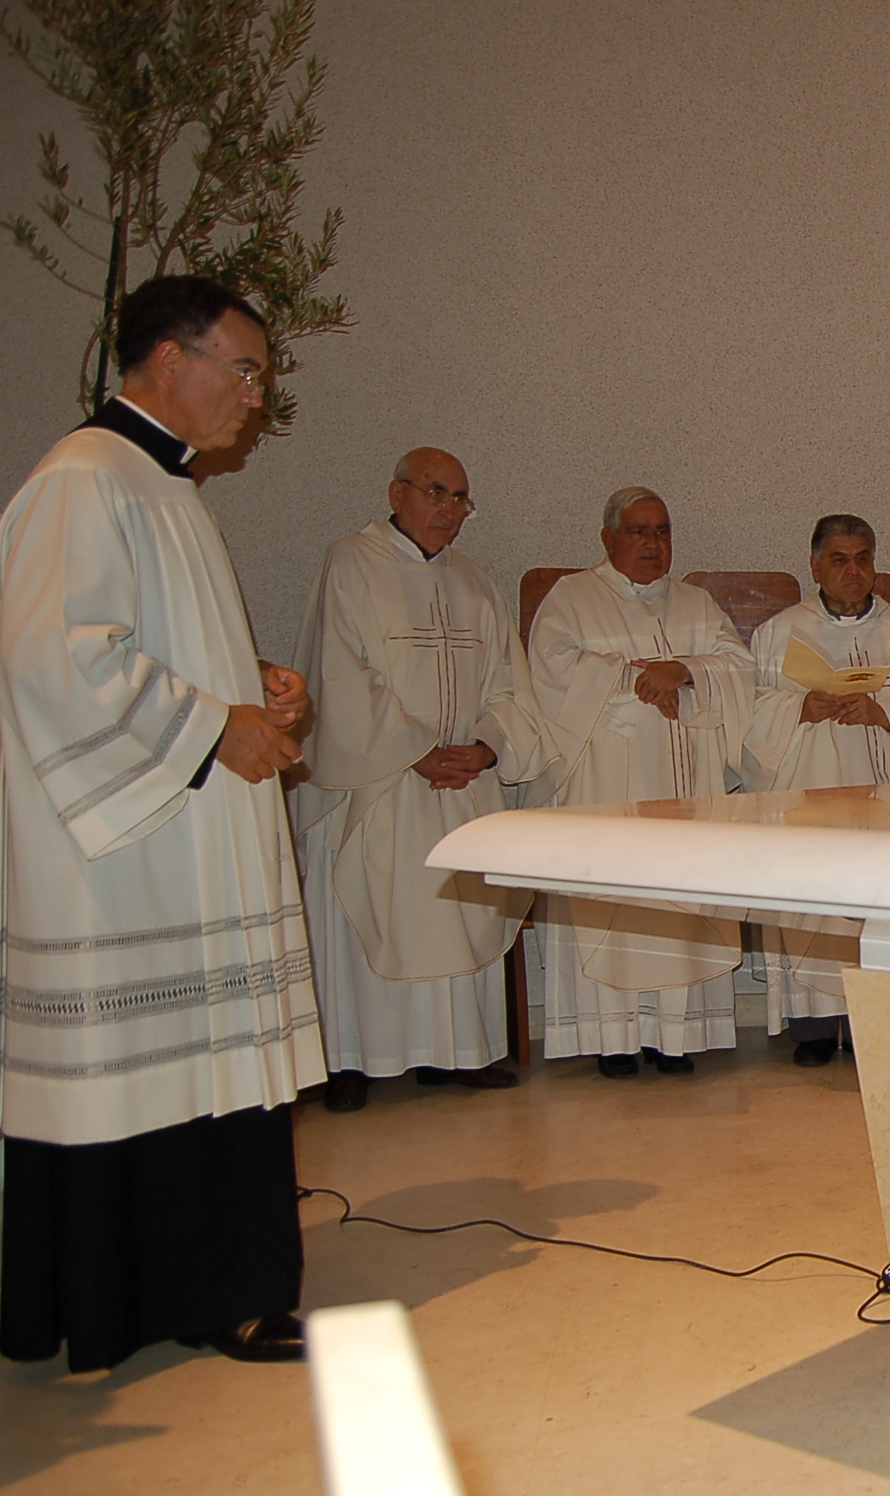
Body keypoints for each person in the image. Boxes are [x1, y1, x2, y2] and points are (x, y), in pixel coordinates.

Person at [0, 275, 326, 1368]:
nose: (253, 396)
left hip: (180, 843)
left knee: (200, 1076)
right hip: (132, 863)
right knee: (160, 1075)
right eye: (241, 370)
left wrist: (254, 685)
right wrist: (208, 724)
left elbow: (152, 646)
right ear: (165, 359)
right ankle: (179, 1290)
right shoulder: (82, 479)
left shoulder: (160, 487)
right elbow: (57, 658)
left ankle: (214, 1283)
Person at [292, 448, 550, 1112]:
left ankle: (459, 1053)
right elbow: (341, 676)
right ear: (396, 493)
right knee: (370, 902)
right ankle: (352, 1059)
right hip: (380, 780)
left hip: (459, 784)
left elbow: (508, 689)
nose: (450, 510)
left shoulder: (477, 584)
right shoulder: (351, 562)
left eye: (462, 498)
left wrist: (487, 749)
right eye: (437, 493)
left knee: (454, 910)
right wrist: (414, 750)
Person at [527, 487, 759, 1078]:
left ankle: (674, 1038)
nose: (653, 544)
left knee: (676, 897)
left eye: (662, 531)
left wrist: (683, 670)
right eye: (638, 531)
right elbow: (553, 669)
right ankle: (615, 1038)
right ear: (608, 539)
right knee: (620, 897)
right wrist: (637, 685)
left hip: (685, 780)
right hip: (611, 779)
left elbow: (738, 666)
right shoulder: (572, 598)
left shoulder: (696, 604)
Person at [746, 514, 890, 1065]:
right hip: (811, 794)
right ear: (814, 565)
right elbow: (748, 714)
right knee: (815, 901)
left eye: (862, 559)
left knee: (876, 903)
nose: (852, 571)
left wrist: (886, 712)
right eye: (839, 559)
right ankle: (813, 1026)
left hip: (887, 799)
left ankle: (871, 1023)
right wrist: (798, 707)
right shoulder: (779, 634)